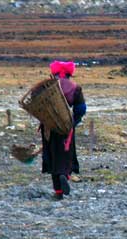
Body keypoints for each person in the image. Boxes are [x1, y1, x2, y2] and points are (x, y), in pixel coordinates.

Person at [41, 60, 86, 200]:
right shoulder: (75, 88)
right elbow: (81, 109)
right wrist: (73, 122)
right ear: (69, 74)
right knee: (66, 154)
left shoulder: (47, 86)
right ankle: (65, 175)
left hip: (49, 127)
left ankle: (58, 191)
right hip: (66, 127)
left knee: (52, 155)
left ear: (53, 73)